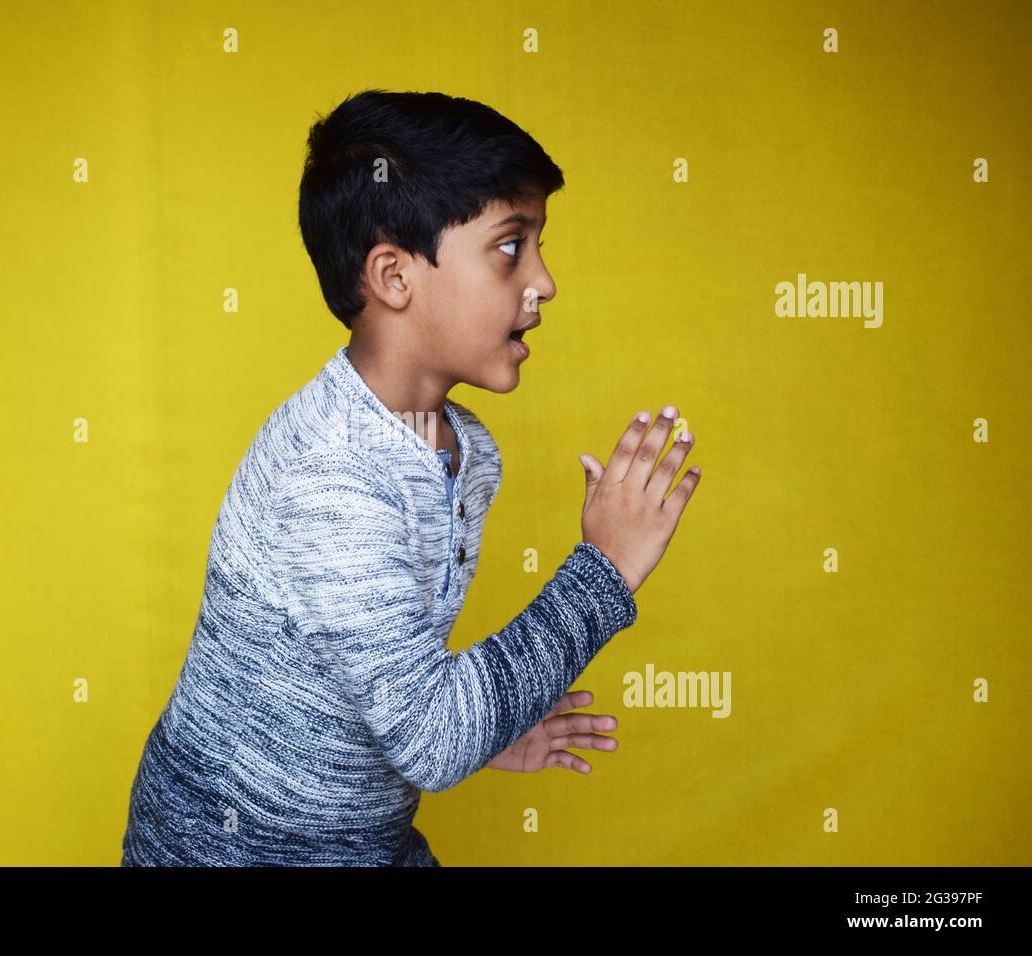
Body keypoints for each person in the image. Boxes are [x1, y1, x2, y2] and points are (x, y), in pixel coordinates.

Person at [121, 89, 701, 866]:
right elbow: (434, 740)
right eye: (509, 247)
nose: (545, 281)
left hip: (361, 841)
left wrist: (481, 727)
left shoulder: (464, 454)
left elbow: (396, 694)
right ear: (394, 277)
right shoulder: (329, 477)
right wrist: (606, 570)